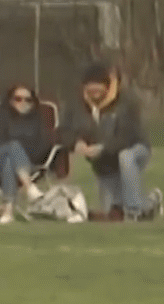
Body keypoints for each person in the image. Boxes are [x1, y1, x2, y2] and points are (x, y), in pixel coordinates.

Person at [60, 63, 157, 222]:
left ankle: (134, 212)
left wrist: (102, 148)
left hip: (134, 148)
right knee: (111, 210)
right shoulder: (76, 105)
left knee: (126, 157)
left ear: (106, 86)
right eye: (90, 88)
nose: (94, 93)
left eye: (98, 87)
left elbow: (126, 136)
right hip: (104, 163)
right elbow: (64, 131)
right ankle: (151, 203)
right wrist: (77, 143)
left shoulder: (126, 103)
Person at [0, 82, 52, 222]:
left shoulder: (37, 119)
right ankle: (29, 187)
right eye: (18, 99)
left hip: (26, 163)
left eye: (28, 100)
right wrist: (17, 149)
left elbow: (43, 146)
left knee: (10, 163)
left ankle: (7, 212)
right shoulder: (1, 114)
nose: (23, 102)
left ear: (33, 102)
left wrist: (20, 156)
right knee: (13, 147)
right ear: (10, 100)